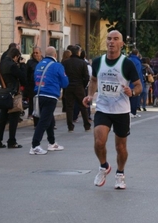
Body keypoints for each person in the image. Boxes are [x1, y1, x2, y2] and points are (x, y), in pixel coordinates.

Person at [82, 30, 141, 189]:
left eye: (116, 39)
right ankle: (103, 166)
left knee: (120, 147)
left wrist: (132, 92)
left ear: (121, 44)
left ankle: (120, 173)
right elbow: (93, 79)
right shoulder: (97, 62)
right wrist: (90, 95)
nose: (111, 42)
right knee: (99, 141)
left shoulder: (127, 64)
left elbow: (138, 86)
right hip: (103, 108)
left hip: (121, 110)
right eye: (109, 39)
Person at [29, 46, 69, 155]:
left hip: (39, 94)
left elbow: (35, 78)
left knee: (49, 119)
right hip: (50, 96)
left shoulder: (39, 64)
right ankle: (35, 145)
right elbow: (65, 82)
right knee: (44, 121)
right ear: (55, 55)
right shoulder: (57, 66)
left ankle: (52, 143)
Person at [0, 48, 27, 149]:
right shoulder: (12, 65)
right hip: (13, 95)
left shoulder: (2, 63)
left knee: (2, 119)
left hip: (4, 94)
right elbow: (23, 77)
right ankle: (12, 141)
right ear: (16, 56)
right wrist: (22, 65)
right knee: (13, 119)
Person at [62, 45, 91, 132]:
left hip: (68, 86)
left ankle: (70, 126)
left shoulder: (65, 63)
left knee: (69, 107)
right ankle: (86, 125)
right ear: (78, 52)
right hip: (79, 86)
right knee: (83, 106)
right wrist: (83, 85)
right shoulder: (82, 63)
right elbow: (86, 77)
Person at [25, 47, 42, 124]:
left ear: (40, 53)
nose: (35, 54)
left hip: (42, 86)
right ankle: (32, 115)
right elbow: (27, 74)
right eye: (34, 53)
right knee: (33, 101)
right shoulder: (30, 62)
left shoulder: (44, 61)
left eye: (37, 53)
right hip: (33, 85)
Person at [128, 49, 145, 117]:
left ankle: (129, 112)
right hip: (135, 82)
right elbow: (137, 72)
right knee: (135, 96)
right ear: (137, 54)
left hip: (128, 82)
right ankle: (133, 112)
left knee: (129, 97)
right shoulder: (137, 61)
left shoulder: (128, 59)